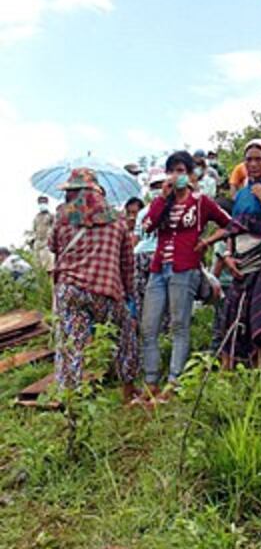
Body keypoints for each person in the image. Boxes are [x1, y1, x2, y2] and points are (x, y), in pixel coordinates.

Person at [139, 151, 231, 402]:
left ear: (191, 174)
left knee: (180, 325)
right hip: (159, 269)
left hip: (185, 268)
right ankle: (151, 384)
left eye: (181, 170)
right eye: (172, 171)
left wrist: (207, 241)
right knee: (149, 327)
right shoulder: (163, 202)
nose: (176, 176)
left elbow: (230, 224)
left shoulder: (201, 202)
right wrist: (162, 197)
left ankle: (173, 382)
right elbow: (146, 227)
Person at [48, 169, 138, 402]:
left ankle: (70, 402)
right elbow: (127, 265)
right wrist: (130, 299)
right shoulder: (118, 222)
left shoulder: (62, 217)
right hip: (106, 292)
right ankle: (128, 393)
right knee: (126, 336)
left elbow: (53, 246)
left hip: (69, 290)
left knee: (71, 345)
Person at [209, 139, 261, 370]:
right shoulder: (242, 194)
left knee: (259, 319)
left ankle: (260, 374)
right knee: (234, 316)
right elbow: (235, 227)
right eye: (249, 160)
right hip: (240, 264)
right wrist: (229, 257)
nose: (253, 164)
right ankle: (230, 373)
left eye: (258, 159)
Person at [132, 171, 166, 323]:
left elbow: (136, 238)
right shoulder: (171, 209)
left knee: (142, 296)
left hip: (142, 255)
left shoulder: (143, 212)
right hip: (159, 256)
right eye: (155, 186)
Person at [210, 198, 235, 353]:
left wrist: (211, 282)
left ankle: (216, 351)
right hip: (233, 284)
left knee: (220, 321)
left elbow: (218, 268)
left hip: (223, 285)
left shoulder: (221, 240)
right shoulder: (233, 236)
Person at [31, 195, 54, 271]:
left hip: (47, 243)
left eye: (43, 202)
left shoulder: (51, 216)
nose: (42, 204)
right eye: (40, 202)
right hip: (38, 243)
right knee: (38, 267)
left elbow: (54, 228)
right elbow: (34, 230)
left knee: (49, 267)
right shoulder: (36, 217)